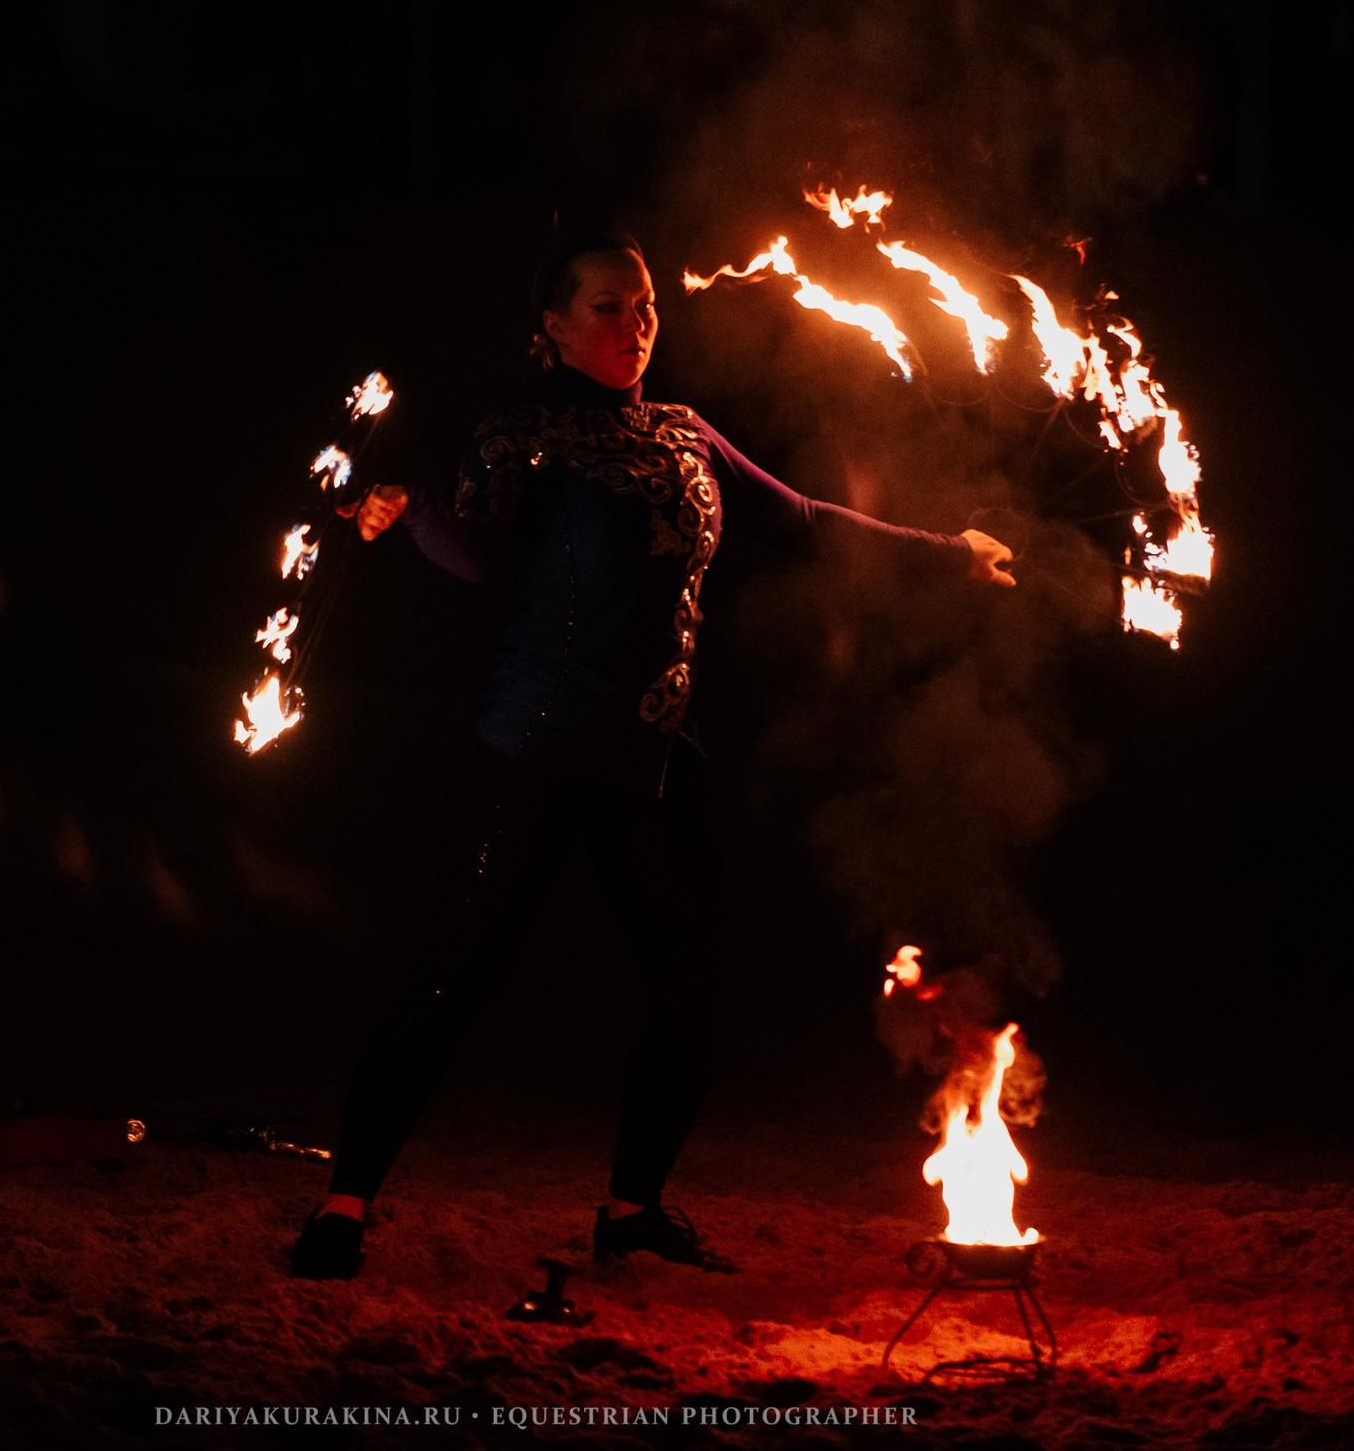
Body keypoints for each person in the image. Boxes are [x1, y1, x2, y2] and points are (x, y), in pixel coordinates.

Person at [289, 228, 1014, 1280]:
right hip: (530, 751)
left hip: (648, 756)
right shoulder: (520, 436)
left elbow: (804, 517)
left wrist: (948, 552)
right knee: (451, 978)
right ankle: (342, 1207)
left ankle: (631, 1209)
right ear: (550, 323)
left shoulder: (686, 435)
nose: (634, 325)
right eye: (604, 307)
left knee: (690, 981)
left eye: (643, 307)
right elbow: (476, 553)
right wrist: (412, 520)